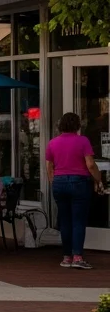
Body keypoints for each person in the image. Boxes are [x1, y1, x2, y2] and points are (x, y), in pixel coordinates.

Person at [46, 112, 103, 269]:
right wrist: (98, 179)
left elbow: (49, 166)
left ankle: (66, 257)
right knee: (78, 221)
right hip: (79, 182)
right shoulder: (83, 141)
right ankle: (77, 257)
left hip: (59, 182)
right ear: (78, 125)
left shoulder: (52, 143)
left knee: (65, 221)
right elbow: (90, 164)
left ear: (60, 126)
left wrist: (54, 181)